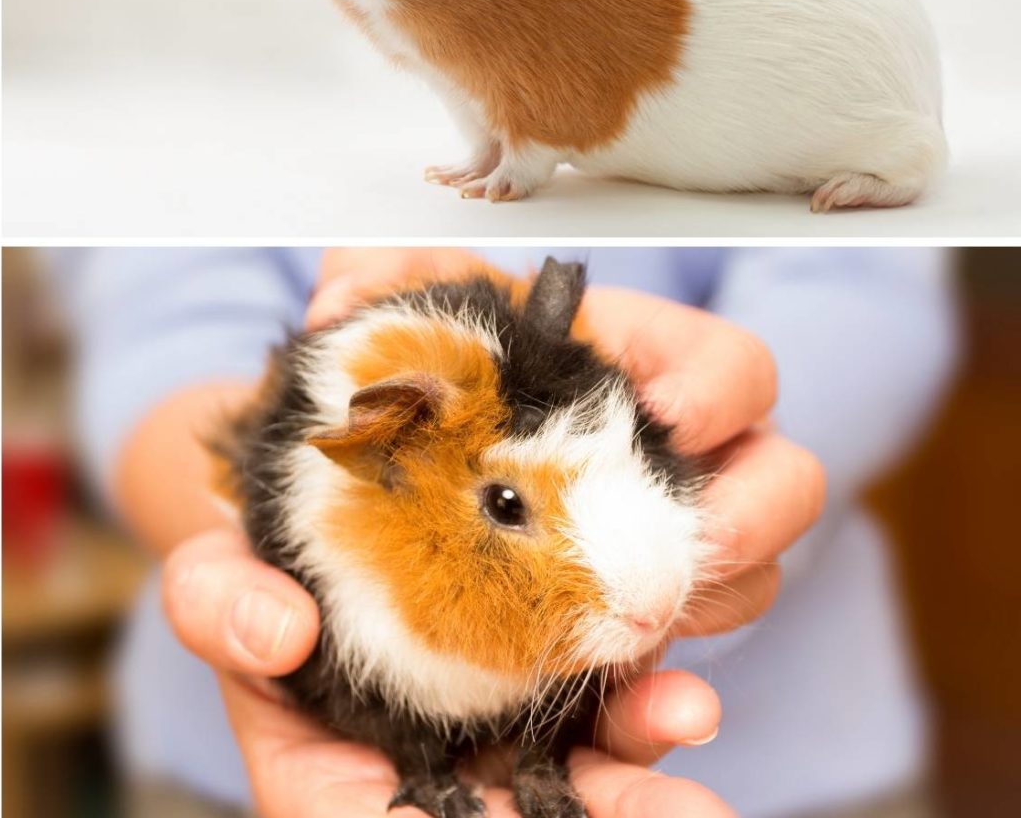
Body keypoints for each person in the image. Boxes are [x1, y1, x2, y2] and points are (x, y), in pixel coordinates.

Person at [56, 248, 957, 817]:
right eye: (507, 506)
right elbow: (156, 305)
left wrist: (740, 451)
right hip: (218, 782)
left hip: (809, 768)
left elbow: (866, 283)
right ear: (387, 459)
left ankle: (536, 762)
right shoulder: (341, 510)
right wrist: (212, 531)